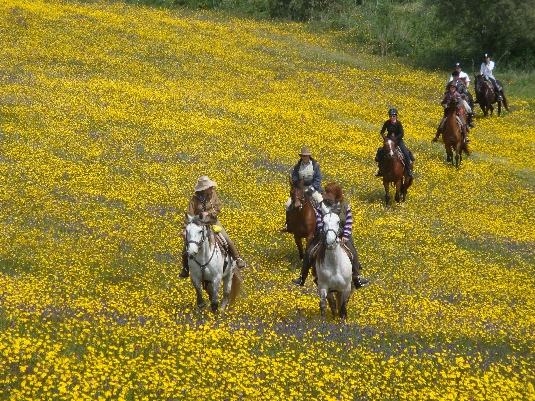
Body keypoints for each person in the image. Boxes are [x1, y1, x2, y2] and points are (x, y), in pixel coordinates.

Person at [291, 182, 369, 289]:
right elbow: (319, 222)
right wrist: (325, 234)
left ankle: (356, 278)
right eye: (326, 192)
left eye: (328, 192)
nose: (325, 194)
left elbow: (348, 222)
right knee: (309, 252)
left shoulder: (345, 205)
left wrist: (345, 235)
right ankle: (302, 277)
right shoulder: (321, 205)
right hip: (324, 234)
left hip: (342, 235)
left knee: (353, 254)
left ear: (335, 194)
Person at [180, 175, 246, 278]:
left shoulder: (213, 195)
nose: (211, 188)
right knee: (187, 244)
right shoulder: (194, 199)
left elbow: (218, 207)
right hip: (198, 224)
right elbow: (189, 214)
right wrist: (185, 229)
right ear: (204, 189)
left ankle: (237, 258)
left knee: (225, 238)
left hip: (212, 221)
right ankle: (185, 268)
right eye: (209, 187)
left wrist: (208, 213)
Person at [280, 146, 323, 233]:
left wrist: (312, 188)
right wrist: (299, 186)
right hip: (300, 189)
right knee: (288, 204)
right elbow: (295, 177)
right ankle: (289, 225)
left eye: (306, 156)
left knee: (321, 201)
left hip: (312, 187)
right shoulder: (297, 166)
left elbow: (318, 178)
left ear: (309, 156)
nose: (305, 158)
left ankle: (323, 225)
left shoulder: (315, 165)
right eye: (303, 156)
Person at [376, 108, 414, 178]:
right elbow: (382, 132)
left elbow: (402, 134)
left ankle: (409, 170)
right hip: (389, 141)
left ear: (396, 116)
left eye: (393, 116)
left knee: (405, 153)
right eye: (390, 116)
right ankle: (380, 170)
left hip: (398, 140)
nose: (392, 117)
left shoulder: (398, 123)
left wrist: (395, 139)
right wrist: (385, 139)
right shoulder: (387, 123)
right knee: (381, 152)